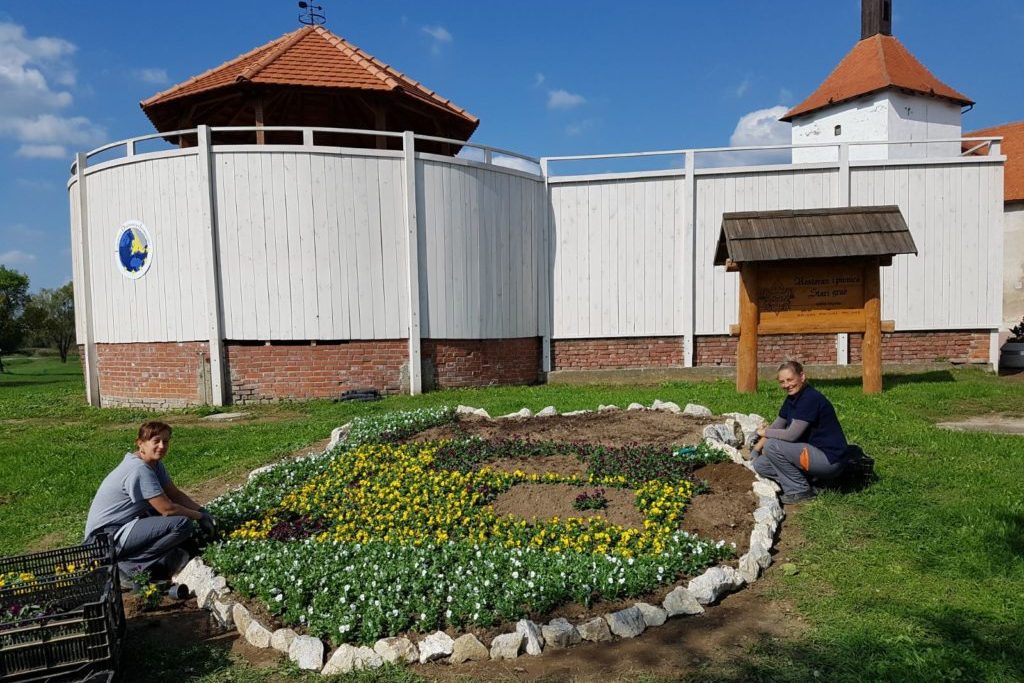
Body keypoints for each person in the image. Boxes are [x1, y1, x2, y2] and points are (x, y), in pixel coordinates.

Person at [84, 421, 216, 582]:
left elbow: (174, 494)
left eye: (165, 441)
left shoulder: (154, 464)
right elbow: (167, 509)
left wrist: (203, 511)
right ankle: (127, 568)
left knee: (163, 516)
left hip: (119, 529)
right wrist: (199, 517)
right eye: (156, 441)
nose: (162, 446)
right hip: (103, 539)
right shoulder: (139, 469)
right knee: (181, 524)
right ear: (141, 444)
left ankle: (154, 561)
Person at [751, 360, 849, 504]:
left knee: (772, 445)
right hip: (811, 454)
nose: (786, 385)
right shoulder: (792, 399)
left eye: (790, 380)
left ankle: (800, 491)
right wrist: (755, 450)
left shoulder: (810, 398)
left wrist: (763, 432)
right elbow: (776, 427)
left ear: (802, 377)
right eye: (782, 382)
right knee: (761, 465)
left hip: (829, 459)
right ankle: (813, 482)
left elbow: (791, 435)